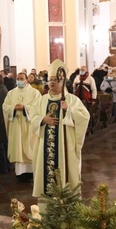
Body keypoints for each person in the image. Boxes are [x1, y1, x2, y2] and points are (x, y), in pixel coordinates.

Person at [30, 59, 90, 198]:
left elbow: (84, 117)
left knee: (65, 173)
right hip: (45, 144)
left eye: (55, 80)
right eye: (50, 80)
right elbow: (32, 115)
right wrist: (42, 119)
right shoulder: (42, 100)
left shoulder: (72, 100)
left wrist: (69, 110)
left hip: (65, 147)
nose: (51, 83)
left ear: (62, 81)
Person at [2, 72, 42, 181]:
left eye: (22, 78)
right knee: (17, 147)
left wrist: (24, 107)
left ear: (26, 80)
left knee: (30, 147)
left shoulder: (35, 93)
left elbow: (38, 106)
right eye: (18, 78)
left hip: (29, 125)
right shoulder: (11, 93)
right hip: (16, 125)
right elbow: (5, 106)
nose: (20, 80)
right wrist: (13, 108)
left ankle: (31, 172)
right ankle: (19, 173)